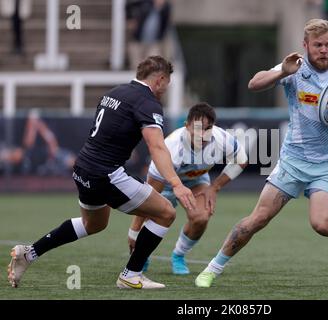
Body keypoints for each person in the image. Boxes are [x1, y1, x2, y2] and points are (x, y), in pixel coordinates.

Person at [195, 19, 328, 287]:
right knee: (257, 219)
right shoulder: (295, 67)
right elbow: (254, 84)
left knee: (321, 224)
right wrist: (281, 72)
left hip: (327, 164)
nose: (324, 50)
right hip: (292, 161)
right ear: (305, 45)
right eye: (318, 45)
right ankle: (213, 268)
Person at [7, 55, 197, 290]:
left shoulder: (114, 92)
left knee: (93, 224)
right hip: (105, 174)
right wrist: (176, 184)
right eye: (166, 84)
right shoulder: (147, 102)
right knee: (166, 212)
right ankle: (131, 275)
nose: (165, 90)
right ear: (159, 80)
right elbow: (156, 146)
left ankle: (29, 253)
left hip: (83, 168)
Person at [127, 103, 248, 275]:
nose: (202, 135)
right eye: (197, 129)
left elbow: (241, 159)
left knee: (201, 217)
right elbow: (148, 196)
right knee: (154, 215)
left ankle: (178, 255)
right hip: (166, 182)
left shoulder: (222, 138)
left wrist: (214, 187)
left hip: (196, 180)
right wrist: (133, 232)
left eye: (207, 129)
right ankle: (142, 254)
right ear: (186, 126)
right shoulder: (171, 147)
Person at [126, 0, 172, 70]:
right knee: (136, 66)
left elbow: (165, 24)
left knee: (152, 66)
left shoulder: (166, 7)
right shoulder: (145, 3)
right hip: (138, 40)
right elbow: (128, 6)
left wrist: (161, 37)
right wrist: (130, 19)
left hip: (154, 42)